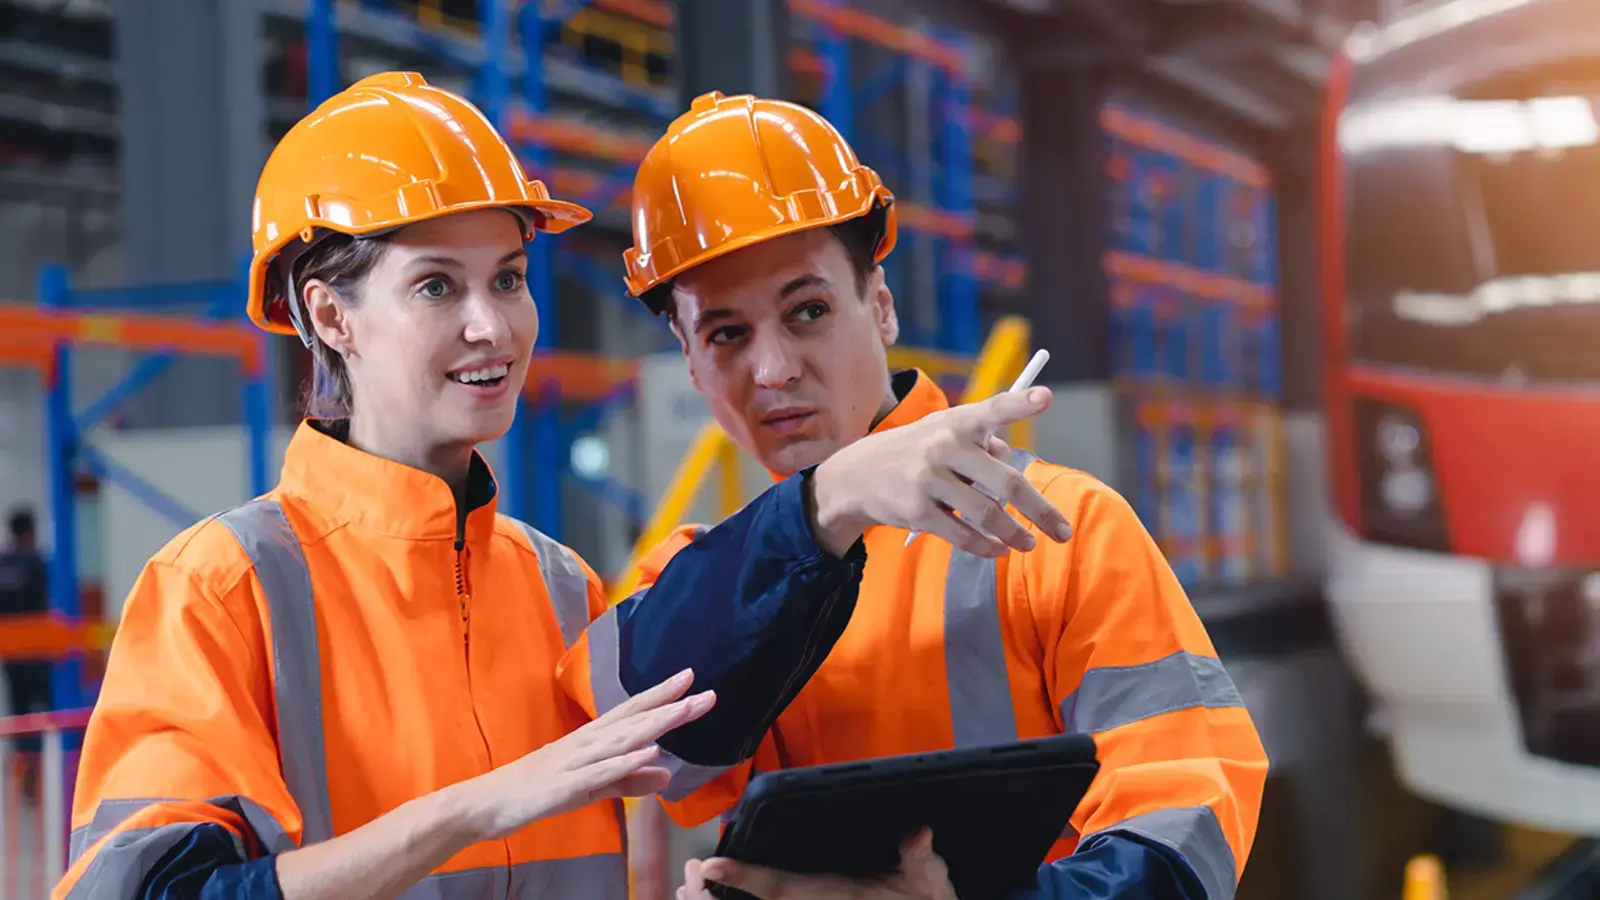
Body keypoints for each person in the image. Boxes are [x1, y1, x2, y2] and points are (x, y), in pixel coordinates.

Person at [56, 74, 1065, 900]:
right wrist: (473, 807)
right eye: (436, 286)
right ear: (330, 315)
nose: (492, 328)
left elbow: (691, 760)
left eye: (507, 277)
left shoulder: (558, 589)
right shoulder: (223, 588)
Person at [559, 91, 1270, 900]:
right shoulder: (705, 577)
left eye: (809, 311)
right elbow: (648, 750)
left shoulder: (1062, 533)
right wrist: (826, 506)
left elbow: (1184, 827)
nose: (773, 371)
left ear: (882, 307)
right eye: (727, 335)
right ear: (691, 365)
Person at [0, 505, 51, 800]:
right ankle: (44, 772)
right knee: (50, 715)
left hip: (12, 658)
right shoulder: (36, 563)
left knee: (20, 718)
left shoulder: (3, 564)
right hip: (40, 654)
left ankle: (26, 774)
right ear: (30, 531)